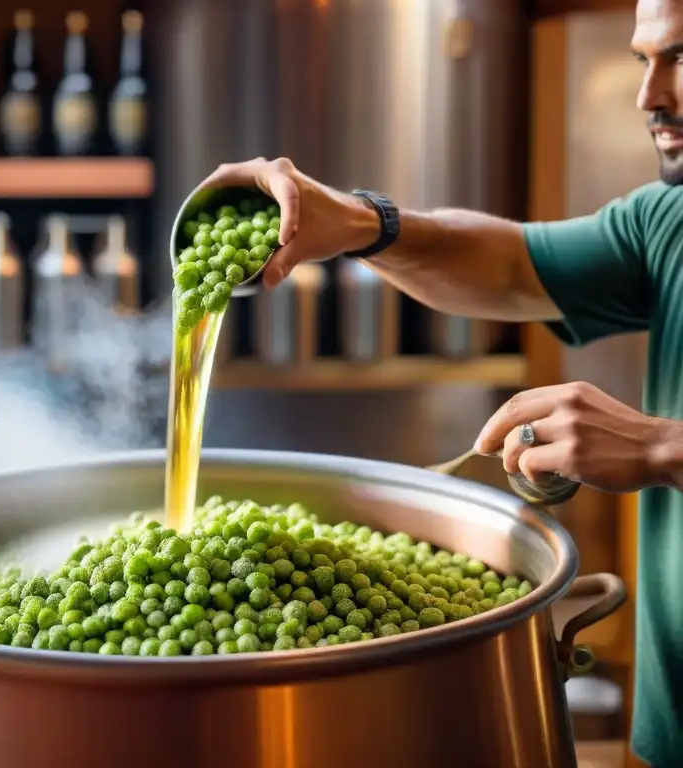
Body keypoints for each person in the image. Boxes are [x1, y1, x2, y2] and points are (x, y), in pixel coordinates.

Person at [199, 0, 683, 765]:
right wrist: (361, 223)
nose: (649, 95)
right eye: (643, 60)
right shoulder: (672, 221)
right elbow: (508, 267)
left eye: (680, 60)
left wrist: (663, 447)